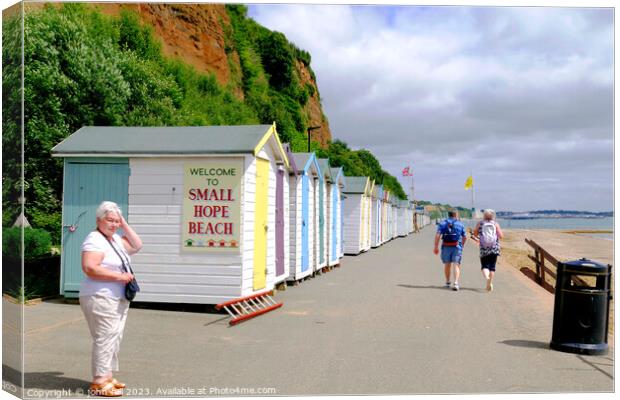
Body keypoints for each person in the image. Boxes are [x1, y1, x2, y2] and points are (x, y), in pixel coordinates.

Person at [80, 201, 143, 397]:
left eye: (116, 221)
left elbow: (137, 245)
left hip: (117, 298)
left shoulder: (114, 239)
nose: (113, 224)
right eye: (110, 220)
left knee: (114, 337)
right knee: (105, 338)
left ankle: (107, 376)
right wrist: (119, 277)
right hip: (101, 296)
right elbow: (90, 267)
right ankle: (99, 382)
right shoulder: (94, 239)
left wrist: (122, 223)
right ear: (99, 220)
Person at [469, 209, 504, 292]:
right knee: (492, 267)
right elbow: (501, 236)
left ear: (484, 215)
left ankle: (487, 278)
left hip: (483, 248)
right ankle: (490, 282)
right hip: (494, 248)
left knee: (484, 266)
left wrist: (476, 234)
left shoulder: (480, 224)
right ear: (493, 216)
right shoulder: (495, 224)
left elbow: (475, 234)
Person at [433, 210, 467, 291]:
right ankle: (456, 283)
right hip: (457, 246)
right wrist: (462, 245)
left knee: (447, 264)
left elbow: (438, 235)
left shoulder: (442, 223)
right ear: (456, 215)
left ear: (448, 215)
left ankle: (448, 282)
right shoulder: (460, 224)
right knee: (456, 264)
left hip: (446, 246)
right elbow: (465, 237)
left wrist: (436, 247)